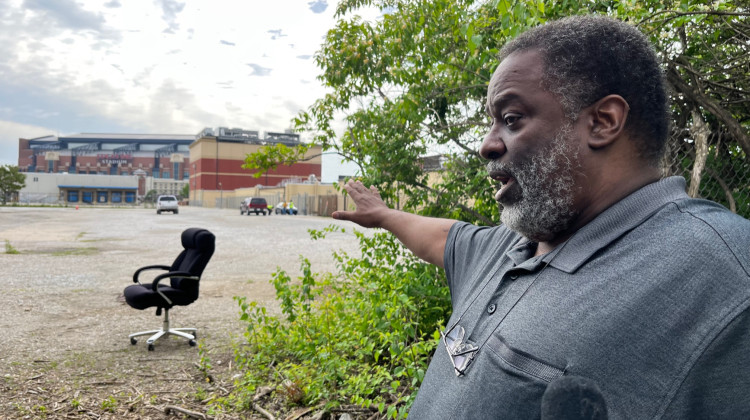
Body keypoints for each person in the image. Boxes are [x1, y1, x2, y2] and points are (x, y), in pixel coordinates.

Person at [332, 14, 750, 419]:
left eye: (511, 119)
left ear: (603, 122)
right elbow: (444, 237)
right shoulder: (512, 245)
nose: (487, 145)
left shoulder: (725, 274)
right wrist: (384, 215)